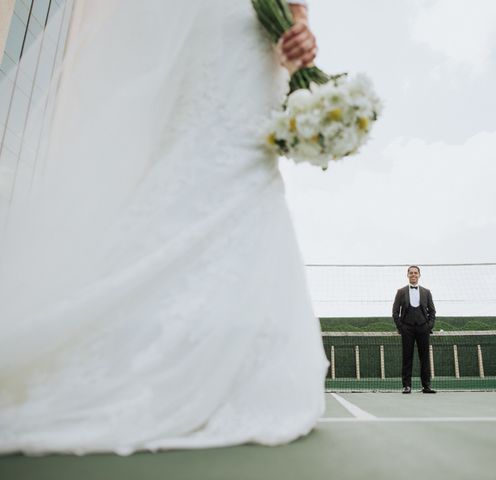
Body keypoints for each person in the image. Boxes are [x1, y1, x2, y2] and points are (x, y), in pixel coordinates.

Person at [0, 0, 327, 455]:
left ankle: (240, 369)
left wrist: (299, 33)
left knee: (252, 175)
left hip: (256, 52)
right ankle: (141, 355)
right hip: (207, 38)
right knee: (189, 170)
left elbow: (297, 10)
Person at [392, 266, 436, 394]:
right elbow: (395, 312)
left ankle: (426, 386)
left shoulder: (426, 292)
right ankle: (407, 386)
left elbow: (432, 311)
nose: (413, 275)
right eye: (411, 273)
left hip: (423, 328)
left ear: (419, 275)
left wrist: (429, 326)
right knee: (407, 357)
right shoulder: (400, 292)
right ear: (407, 275)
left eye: (415, 273)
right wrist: (401, 327)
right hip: (407, 329)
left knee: (425, 358)